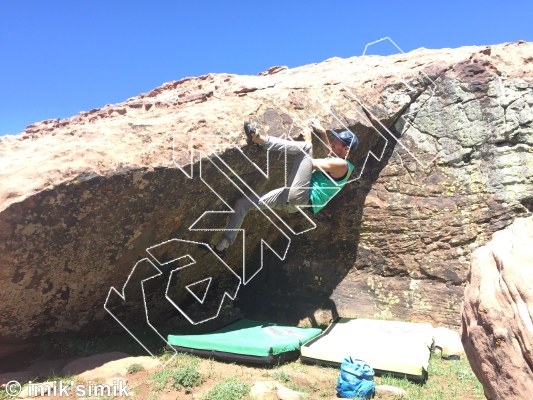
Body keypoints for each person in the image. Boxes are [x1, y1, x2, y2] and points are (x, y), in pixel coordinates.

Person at [211, 120, 358, 258]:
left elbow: (309, 163)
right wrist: (324, 134)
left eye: (337, 142)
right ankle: (223, 246)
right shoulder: (344, 165)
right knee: (242, 204)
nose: (333, 142)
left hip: (301, 196)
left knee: (306, 148)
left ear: (346, 149)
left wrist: (308, 140)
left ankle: (258, 139)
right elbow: (329, 156)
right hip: (290, 201)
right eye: (334, 139)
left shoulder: (342, 165)